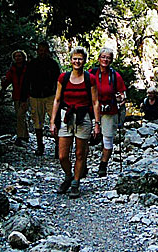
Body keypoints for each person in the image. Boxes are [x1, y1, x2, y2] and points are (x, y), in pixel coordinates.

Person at [50, 46, 99, 199]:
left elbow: (95, 101)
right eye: (75, 58)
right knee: (63, 155)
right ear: (71, 60)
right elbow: (57, 100)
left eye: (80, 58)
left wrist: (97, 123)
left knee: (80, 153)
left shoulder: (90, 79)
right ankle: (69, 176)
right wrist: (52, 121)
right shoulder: (63, 78)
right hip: (66, 116)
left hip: (83, 117)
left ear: (84, 61)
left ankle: (76, 183)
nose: (77, 61)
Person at [89, 47, 127, 176]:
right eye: (103, 57)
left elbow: (123, 94)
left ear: (111, 60)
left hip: (109, 110)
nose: (105, 59)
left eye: (108, 57)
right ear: (99, 58)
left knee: (108, 138)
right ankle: (82, 165)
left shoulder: (115, 76)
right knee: (83, 137)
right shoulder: (91, 73)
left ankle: (103, 165)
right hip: (92, 110)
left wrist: (120, 99)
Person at [28, 41, 61, 156]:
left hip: (50, 95)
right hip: (35, 95)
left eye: (44, 50)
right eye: (40, 50)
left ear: (47, 51)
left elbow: (58, 81)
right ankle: (40, 145)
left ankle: (58, 146)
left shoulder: (53, 64)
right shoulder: (32, 63)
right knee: (37, 121)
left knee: (55, 120)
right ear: (37, 51)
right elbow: (27, 79)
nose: (42, 53)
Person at [2, 49, 30, 147]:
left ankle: (20, 137)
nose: (18, 58)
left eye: (19, 56)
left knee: (20, 115)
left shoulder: (27, 68)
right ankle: (25, 135)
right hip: (16, 95)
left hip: (26, 95)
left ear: (23, 57)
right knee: (20, 116)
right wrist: (4, 82)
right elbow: (7, 80)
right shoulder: (13, 69)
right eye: (16, 56)